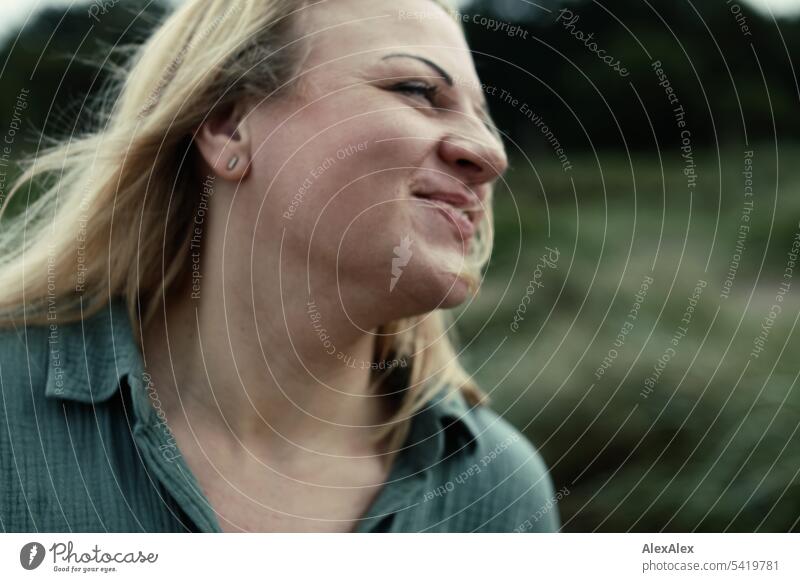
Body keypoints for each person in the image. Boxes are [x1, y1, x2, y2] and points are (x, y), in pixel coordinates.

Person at [0, 0, 559, 533]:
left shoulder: (497, 494)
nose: (491, 154)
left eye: (484, 119)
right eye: (417, 89)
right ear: (229, 126)